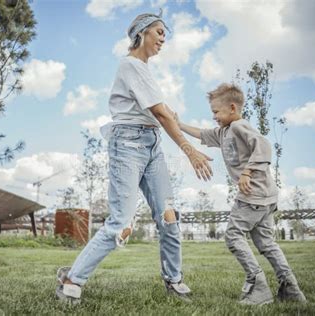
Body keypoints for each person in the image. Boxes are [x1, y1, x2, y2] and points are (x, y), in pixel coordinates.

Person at [56, 10, 213, 304]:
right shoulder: (130, 66)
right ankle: (71, 280)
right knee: (120, 224)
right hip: (128, 145)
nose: (163, 40)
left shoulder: (144, 71)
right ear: (141, 33)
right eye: (159, 32)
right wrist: (189, 151)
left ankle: (174, 279)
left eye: (165, 35)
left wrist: (178, 124)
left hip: (152, 146)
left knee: (169, 217)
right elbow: (160, 112)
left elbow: (164, 115)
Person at [175, 83, 306, 305]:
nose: (214, 116)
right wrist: (178, 124)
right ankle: (291, 289)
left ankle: (259, 287)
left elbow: (264, 146)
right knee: (266, 244)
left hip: (252, 196)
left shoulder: (238, 127)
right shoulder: (224, 131)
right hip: (264, 198)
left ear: (232, 108)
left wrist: (246, 172)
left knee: (234, 236)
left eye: (216, 112)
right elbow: (202, 134)